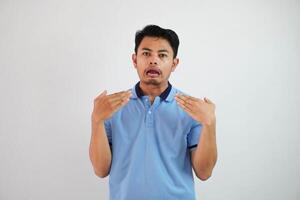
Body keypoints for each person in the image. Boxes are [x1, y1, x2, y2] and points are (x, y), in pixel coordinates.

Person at [89, 25, 217, 200]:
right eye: (146, 53)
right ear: (135, 60)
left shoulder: (192, 109)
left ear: (174, 64)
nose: (153, 60)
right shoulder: (112, 107)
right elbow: (100, 170)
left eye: (162, 55)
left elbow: (204, 172)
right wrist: (96, 120)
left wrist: (210, 124)